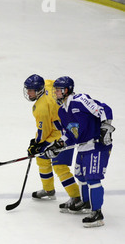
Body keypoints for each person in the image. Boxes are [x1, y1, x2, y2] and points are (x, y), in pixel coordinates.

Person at [44, 76, 115, 227]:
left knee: (92, 178)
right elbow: (70, 135)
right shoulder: (62, 111)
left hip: (96, 145)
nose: (55, 93)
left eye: (58, 90)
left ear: (67, 90)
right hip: (83, 146)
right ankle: (86, 203)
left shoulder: (80, 100)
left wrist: (105, 128)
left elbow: (103, 109)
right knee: (80, 175)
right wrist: (57, 146)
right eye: (55, 90)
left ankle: (97, 214)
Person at [23, 74, 80, 212]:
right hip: (60, 128)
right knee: (42, 159)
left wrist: (36, 145)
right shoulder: (48, 84)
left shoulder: (41, 108)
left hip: (66, 133)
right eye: (28, 90)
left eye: (31, 91)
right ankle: (48, 190)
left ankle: (77, 198)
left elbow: (44, 132)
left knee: (60, 166)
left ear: (39, 90)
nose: (29, 93)